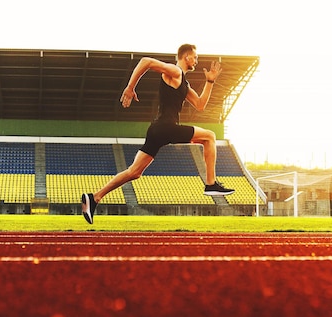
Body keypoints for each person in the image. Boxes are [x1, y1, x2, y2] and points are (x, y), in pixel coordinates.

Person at [81, 44, 234, 224]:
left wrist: (210, 82)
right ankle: (210, 184)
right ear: (186, 57)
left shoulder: (183, 82)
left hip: (157, 130)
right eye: (195, 57)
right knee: (210, 136)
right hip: (166, 127)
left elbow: (200, 105)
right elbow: (146, 61)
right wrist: (130, 87)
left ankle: (94, 198)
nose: (197, 60)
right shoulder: (175, 71)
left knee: (134, 172)